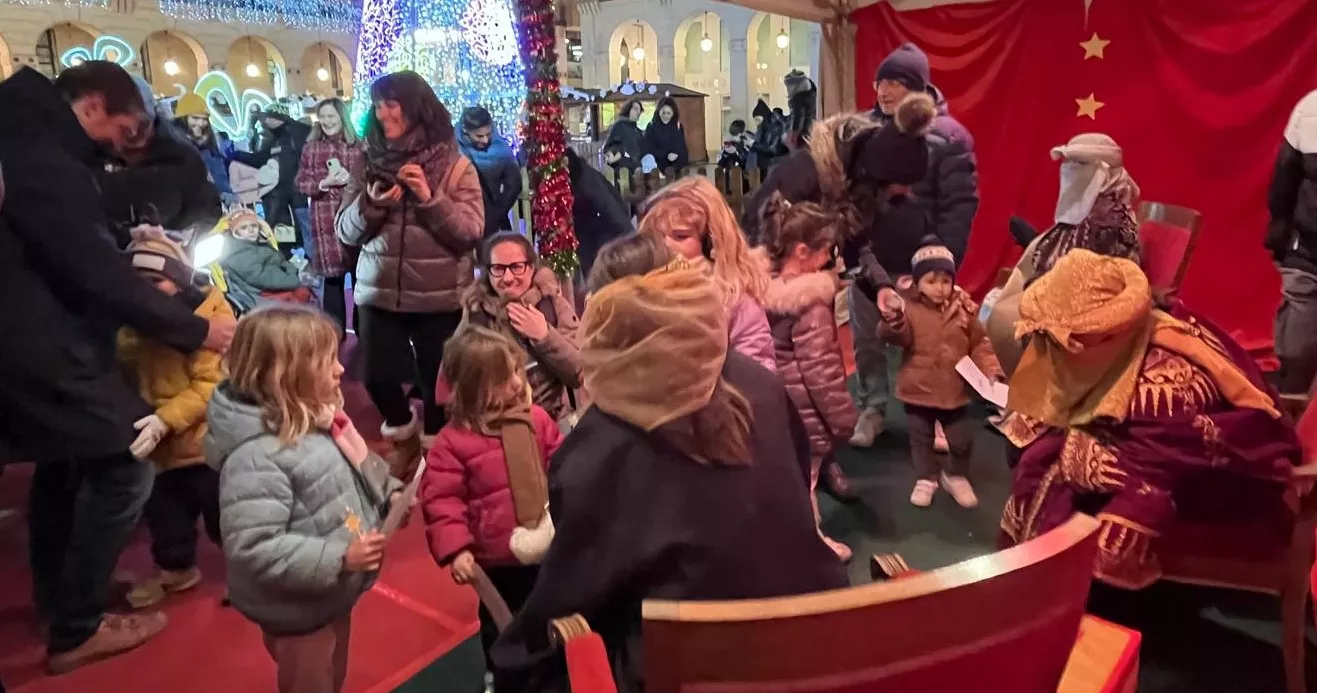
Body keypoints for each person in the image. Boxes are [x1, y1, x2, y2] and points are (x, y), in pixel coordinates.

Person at [490, 262, 849, 692]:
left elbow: (573, 589)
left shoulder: (603, 443)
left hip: (688, 665)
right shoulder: (760, 385)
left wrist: (513, 660)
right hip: (811, 631)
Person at [0, 61, 236, 672]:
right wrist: (197, 329)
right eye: (127, 130)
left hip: (37, 338)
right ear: (96, 105)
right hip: (43, 341)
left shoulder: (30, 136)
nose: (125, 147)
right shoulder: (44, 155)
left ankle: (63, 599)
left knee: (66, 464)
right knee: (125, 463)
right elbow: (92, 269)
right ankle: (77, 624)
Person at [999, 250, 1300, 588]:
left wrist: (1078, 452)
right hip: (1150, 452)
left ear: (1109, 331)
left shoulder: (1165, 386)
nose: (1053, 350)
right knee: (1039, 456)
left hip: (1215, 477)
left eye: (1065, 340)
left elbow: (1165, 459)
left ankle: (1064, 597)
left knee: (1059, 473)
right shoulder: (1122, 342)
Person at [209, 305, 404, 693]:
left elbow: (352, 474)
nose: (340, 370)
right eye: (327, 361)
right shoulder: (258, 457)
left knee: (334, 671)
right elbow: (254, 546)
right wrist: (339, 558)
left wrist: (391, 496)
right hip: (297, 606)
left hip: (332, 590)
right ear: (286, 374)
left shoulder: (318, 420)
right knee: (310, 680)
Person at [743, 95, 938, 446]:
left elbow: (857, 242)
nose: (904, 193)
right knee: (783, 370)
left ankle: (816, 450)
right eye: (900, 184)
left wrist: (880, 287)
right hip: (772, 289)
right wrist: (788, 286)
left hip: (808, 282)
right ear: (879, 174)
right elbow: (758, 238)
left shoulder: (859, 186)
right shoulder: (803, 176)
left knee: (814, 363)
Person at [337, 70, 484, 473]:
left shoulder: (454, 165)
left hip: (438, 295)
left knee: (437, 383)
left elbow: (470, 231)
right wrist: (371, 204)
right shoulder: (367, 162)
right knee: (377, 377)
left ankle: (437, 456)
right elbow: (344, 231)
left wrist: (428, 197)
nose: (382, 113)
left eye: (391, 103)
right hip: (379, 290)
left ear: (415, 107)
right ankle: (402, 432)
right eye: (378, 104)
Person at [420, 327, 563, 669]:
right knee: (501, 622)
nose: (517, 383)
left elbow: (561, 467)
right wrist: (457, 549)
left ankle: (549, 667)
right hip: (499, 558)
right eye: (504, 378)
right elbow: (443, 502)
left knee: (551, 609)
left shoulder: (536, 420)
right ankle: (501, 672)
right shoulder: (452, 444)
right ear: (475, 388)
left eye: (516, 370)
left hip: (550, 543)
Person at [117, 230, 230, 609]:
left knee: (224, 514)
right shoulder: (126, 326)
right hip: (157, 449)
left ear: (179, 280)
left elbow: (211, 383)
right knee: (166, 516)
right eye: (134, 283)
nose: (145, 292)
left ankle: (250, 570)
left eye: (156, 281)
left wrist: (165, 419)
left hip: (203, 442)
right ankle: (176, 569)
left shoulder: (205, 322)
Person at [986, 133, 1141, 375]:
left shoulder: (1109, 217)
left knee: (1007, 318)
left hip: (1089, 302)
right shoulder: (1087, 203)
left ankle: (1031, 394)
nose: (1070, 171)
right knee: (998, 306)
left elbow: (1093, 276)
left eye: (1079, 165)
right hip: (1057, 284)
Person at [758, 193, 858, 559]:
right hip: (802, 413)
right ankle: (811, 545)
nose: (830, 260)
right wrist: (843, 419)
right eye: (826, 252)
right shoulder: (811, 306)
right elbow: (821, 371)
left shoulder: (759, 288)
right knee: (806, 481)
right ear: (803, 251)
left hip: (768, 402)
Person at [880, 235, 1000, 509]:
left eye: (946, 280)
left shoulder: (964, 308)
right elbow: (892, 337)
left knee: (961, 440)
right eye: (931, 281)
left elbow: (979, 342)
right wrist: (894, 320)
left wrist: (989, 368)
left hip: (954, 389)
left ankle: (955, 475)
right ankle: (927, 477)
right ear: (918, 281)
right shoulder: (907, 308)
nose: (940, 288)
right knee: (920, 440)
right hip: (918, 389)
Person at [639, 177, 775, 372]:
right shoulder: (639, 294)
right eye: (657, 236)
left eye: (680, 236)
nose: (666, 245)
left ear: (712, 243)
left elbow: (759, 376)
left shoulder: (735, 302)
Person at [459, 233, 582, 422]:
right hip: (495, 422)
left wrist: (545, 337)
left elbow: (578, 373)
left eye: (517, 267)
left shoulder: (553, 305)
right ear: (487, 272)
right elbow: (459, 379)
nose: (508, 278)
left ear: (532, 267)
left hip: (553, 418)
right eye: (498, 269)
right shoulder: (476, 312)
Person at [98, 77, 222, 245]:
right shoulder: (91, 157)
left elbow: (204, 201)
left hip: (173, 250)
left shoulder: (180, 152)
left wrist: (189, 235)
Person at [294, 98, 363, 337]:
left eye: (331, 116)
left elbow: (370, 180)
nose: (326, 121)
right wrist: (324, 183)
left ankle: (363, 329)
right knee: (332, 281)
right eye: (322, 116)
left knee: (359, 278)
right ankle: (335, 333)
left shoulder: (358, 146)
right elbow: (301, 183)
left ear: (342, 117)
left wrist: (350, 181)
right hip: (324, 221)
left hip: (353, 218)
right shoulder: (311, 148)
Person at [1267, 88, 1317, 394]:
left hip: (1308, 243)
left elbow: (1283, 181)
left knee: (1300, 307)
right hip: (1307, 243)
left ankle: (1293, 395)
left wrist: (1280, 235)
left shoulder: (1310, 106)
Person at [231, 105, 312, 252]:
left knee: (305, 228)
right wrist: (236, 155)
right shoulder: (277, 138)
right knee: (286, 228)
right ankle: (293, 254)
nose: (265, 121)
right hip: (282, 196)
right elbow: (261, 158)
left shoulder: (296, 133)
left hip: (297, 194)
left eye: (268, 117)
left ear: (277, 117)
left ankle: (313, 259)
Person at [217, 208, 308, 312]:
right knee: (304, 295)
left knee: (309, 290)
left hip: (279, 282)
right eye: (244, 228)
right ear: (236, 233)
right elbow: (261, 277)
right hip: (262, 292)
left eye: (254, 226)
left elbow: (281, 261)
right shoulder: (237, 252)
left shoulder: (259, 244)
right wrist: (294, 280)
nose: (251, 230)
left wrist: (292, 270)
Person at [565, 148, 632, 280]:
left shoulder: (586, 180)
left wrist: (631, 240)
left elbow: (611, 208)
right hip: (586, 230)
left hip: (603, 230)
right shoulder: (575, 178)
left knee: (602, 274)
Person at [458, 106, 524, 237]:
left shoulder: (501, 147)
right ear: (465, 130)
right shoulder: (453, 148)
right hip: (462, 220)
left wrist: (496, 214)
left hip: (492, 220)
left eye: (488, 134)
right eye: (479, 136)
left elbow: (514, 184)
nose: (485, 140)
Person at [174, 92, 236, 207]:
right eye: (195, 118)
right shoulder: (172, 144)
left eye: (204, 119)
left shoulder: (208, 145)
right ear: (183, 118)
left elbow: (219, 173)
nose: (201, 123)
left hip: (212, 205)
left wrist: (227, 194)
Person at [643, 96, 689, 171]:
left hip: (675, 165)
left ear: (673, 113)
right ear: (658, 111)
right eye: (663, 113)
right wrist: (665, 155)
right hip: (658, 165)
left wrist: (676, 153)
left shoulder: (678, 126)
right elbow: (648, 148)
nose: (666, 116)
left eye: (668, 113)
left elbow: (682, 146)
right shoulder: (651, 126)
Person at [604, 98, 646, 173]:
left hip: (638, 168)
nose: (639, 112)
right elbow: (611, 146)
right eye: (636, 109)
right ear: (628, 110)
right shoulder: (619, 126)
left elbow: (642, 149)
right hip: (622, 168)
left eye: (640, 110)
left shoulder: (636, 130)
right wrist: (618, 153)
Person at [783, 70, 818, 151]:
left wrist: (793, 135)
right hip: (811, 132)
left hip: (802, 135)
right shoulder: (812, 93)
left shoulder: (797, 98)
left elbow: (798, 116)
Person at [750, 99, 784, 173]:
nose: (757, 123)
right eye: (755, 120)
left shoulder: (774, 129)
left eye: (758, 120)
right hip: (764, 165)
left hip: (771, 165)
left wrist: (753, 144)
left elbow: (772, 149)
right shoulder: (763, 129)